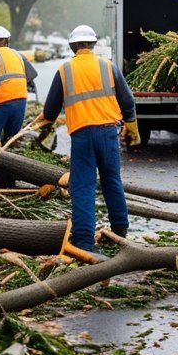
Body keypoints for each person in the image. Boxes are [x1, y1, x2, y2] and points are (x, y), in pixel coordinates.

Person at [31, 24, 139, 257]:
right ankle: (120, 232)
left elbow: (51, 111)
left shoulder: (65, 70)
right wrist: (131, 125)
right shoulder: (108, 67)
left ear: (72, 46)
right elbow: (127, 100)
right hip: (109, 132)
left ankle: (84, 243)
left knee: (83, 186)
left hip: (82, 135)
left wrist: (41, 122)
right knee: (112, 181)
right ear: (93, 44)